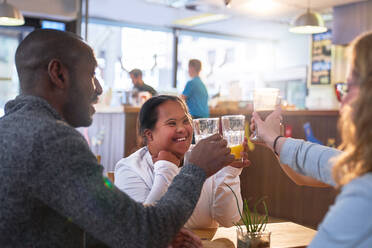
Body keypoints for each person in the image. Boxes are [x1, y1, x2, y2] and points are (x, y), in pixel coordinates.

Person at [0, 29, 239, 248]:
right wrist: (195, 169)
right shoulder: (51, 140)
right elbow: (144, 234)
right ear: (58, 74)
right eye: (92, 74)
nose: (99, 88)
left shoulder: (11, 128)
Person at [251, 32, 372, 247]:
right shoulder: (362, 169)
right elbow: (315, 166)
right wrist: (274, 141)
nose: (342, 104)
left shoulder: (365, 194)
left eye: (348, 87)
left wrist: (274, 140)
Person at [115, 95, 250, 228]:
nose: (182, 129)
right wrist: (166, 168)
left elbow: (228, 220)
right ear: (149, 135)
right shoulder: (130, 168)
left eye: (186, 121)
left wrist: (229, 172)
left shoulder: (204, 156)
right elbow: (143, 229)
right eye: (172, 123)